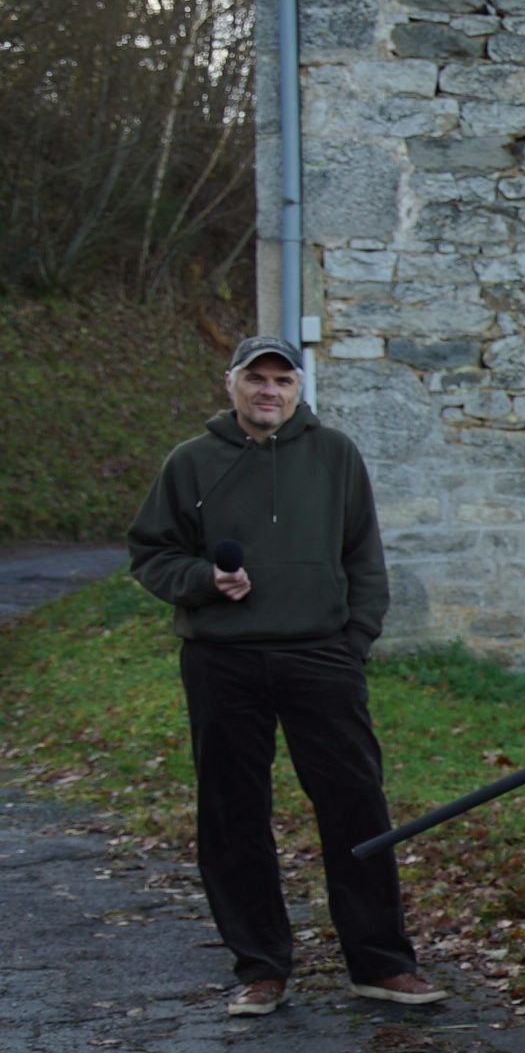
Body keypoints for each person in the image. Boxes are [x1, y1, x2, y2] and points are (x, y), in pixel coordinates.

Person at [127, 334, 447, 1018]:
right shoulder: (191, 462)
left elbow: (363, 556)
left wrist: (353, 641)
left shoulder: (335, 455)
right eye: (256, 378)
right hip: (222, 659)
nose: (268, 391)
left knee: (355, 804)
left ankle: (381, 963)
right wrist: (204, 580)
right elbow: (152, 553)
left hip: (321, 656)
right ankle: (261, 968)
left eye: (282, 380)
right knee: (232, 813)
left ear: (298, 389)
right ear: (231, 384)